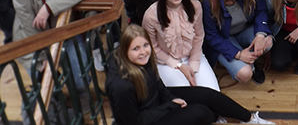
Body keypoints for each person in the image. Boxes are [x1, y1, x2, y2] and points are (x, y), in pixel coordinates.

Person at [105, 24, 275, 125]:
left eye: (145, 46)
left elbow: (157, 83)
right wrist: (170, 105)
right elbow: (135, 122)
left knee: (207, 94)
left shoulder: (143, 59)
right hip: (145, 120)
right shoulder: (122, 86)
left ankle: (250, 118)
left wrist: (169, 98)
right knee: (202, 113)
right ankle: (215, 114)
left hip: (155, 102)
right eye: (136, 48)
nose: (143, 52)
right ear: (125, 51)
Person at [142, 0, 219, 90]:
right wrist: (178, 65)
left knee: (212, 91)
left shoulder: (195, 6)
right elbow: (152, 47)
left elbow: (199, 36)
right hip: (166, 62)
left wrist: (193, 63)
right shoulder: (151, 15)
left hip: (193, 56)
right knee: (186, 93)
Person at [201, 0, 273, 85]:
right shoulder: (210, 0)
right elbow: (211, 36)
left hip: (245, 31)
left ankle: (251, 59)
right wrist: (238, 54)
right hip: (224, 38)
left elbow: (261, 11)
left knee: (267, 41)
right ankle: (247, 62)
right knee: (245, 74)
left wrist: (260, 35)